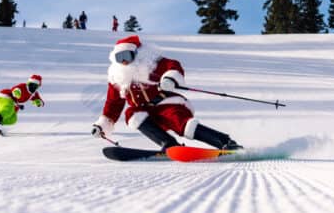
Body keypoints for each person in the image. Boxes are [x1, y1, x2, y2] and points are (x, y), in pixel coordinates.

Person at [90, 35, 242, 151]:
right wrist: (102, 125)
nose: (124, 62)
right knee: (133, 115)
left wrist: (170, 77)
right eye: (119, 58)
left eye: (127, 56)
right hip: (143, 109)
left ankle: (224, 142)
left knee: (182, 125)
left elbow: (173, 65)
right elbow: (113, 103)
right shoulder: (118, 77)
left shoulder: (153, 64)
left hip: (165, 102)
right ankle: (169, 145)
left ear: (137, 53)